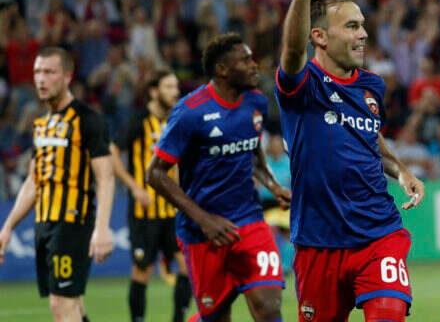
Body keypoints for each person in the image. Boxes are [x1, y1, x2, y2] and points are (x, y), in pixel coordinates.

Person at [275, 0, 425, 322]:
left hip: (379, 233)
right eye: (352, 26)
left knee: (389, 313)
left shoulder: (372, 86)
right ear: (320, 36)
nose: (363, 34)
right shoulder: (302, 87)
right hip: (318, 242)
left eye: (362, 25)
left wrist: (401, 170)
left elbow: (368, 137)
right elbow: (292, 51)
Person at [146, 33, 291, 322]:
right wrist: (204, 220)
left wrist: (273, 185)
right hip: (201, 232)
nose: (254, 65)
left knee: (269, 307)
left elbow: (252, 151)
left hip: (249, 221)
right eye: (245, 60)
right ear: (222, 69)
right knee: (216, 316)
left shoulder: (256, 102)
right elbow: (155, 174)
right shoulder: (190, 112)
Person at [0, 47, 114, 322]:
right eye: (38, 72)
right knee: (72, 305)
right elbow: (33, 181)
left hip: (73, 222)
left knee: (61, 306)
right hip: (45, 224)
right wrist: (8, 225)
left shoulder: (87, 118)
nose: (41, 79)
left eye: (49, 72)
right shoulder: (42, 124)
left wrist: (102, 228)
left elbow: (105, 176)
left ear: (67, 76)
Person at [109, 68, 192, 322]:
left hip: (173, 210)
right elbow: (112, 152)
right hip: (144, 212)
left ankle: (178, 319)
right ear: (154, 92)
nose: (175, 92)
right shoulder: (138, 121)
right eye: (169, 87)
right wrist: (134, 187)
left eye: (176, 87)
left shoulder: (177, 121)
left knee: (186, 265)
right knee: (142, 271)